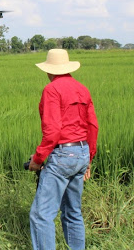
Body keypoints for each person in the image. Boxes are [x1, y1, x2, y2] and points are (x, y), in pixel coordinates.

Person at [28, 49, 99, 250]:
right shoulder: (82, 89)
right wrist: (89, 160)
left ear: (48, 70)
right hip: (82, 152)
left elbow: (52, 131)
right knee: (72, 212)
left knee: (41, 215)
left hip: (62, 155)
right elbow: (93, 126)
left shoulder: (52, 90)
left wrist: (38, 158)